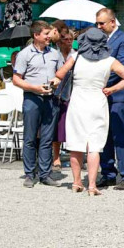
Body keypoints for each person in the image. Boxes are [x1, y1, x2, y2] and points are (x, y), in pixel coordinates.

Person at [56, 28, 124, 195]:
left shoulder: (75, 57)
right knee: (94, 146)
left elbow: (60, 74)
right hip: (97, 101)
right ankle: (92, 185)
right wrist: (112, 89)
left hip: (78, 102)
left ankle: (77, 182)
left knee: (76, 144)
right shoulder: (110, 60)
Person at [12, 21, 63, 188]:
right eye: (46, 34)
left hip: (50, 99)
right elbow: (16, 79)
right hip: (32, 98)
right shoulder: (25, 54)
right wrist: (34, 87)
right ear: (36, 35)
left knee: (47, 138)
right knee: (30, 137)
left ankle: (45, 174)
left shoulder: (55, 54)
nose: (49, 37)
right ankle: (29, 173)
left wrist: (57, 80)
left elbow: (61, 74)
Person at [95, 9, 124, 190]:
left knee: (121, 135)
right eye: (97, 23)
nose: (98, 26)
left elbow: (122, 66)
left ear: (112, 22)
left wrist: (98, 79)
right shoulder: (97, 39)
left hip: (118, 94)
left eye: (101, 23)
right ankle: (108, 173)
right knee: (104, 136)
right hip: (102, 94)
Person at [50, 21, 74, 171]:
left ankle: (75, 155)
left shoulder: (76, 54)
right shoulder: (54, 54)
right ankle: (56, 156)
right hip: (56, 94)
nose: (69, 42)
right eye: (66, 39)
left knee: (73, 127)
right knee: (57, 127)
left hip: (73, 93)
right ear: (59, 41)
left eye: (71, 39)